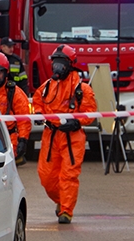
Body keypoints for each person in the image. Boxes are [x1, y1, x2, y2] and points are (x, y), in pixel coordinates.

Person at [33, 45, 97, 224]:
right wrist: (38, 114)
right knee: (46, 177)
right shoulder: (47, 86)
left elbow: (90, 111)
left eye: (61, 63)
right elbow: (37, 101)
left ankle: (66, 211)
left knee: (68, 175)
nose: (57, 67)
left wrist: (77, 122)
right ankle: (60, 200)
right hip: (50, 135)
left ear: (70, 64)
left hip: (72, 138)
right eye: (55, 62)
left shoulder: (81, 89)